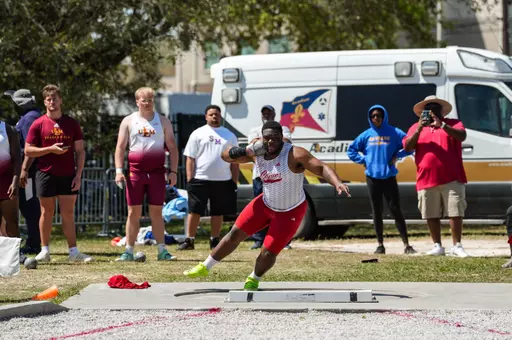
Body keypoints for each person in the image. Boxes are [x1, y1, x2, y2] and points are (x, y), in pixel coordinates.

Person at [183, 121, 350, 290]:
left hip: (290, 210)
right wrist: (246, 149)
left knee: (268, 251)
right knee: (234, 234)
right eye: (267, 138)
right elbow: (226, 155)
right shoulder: (258, 152)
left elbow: (321, 168)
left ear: (282, 138)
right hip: (265, 204)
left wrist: (337, 183)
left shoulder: (294, 154)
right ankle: (206, 266)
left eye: (275, 138)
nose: (271, 142)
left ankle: (254, 278)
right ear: (262, 138)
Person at [25, 84, 92, 262]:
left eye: (54, 98)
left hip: (68, 174)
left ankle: (73, 252)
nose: (52, 102)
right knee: (46, 212)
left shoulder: (71, 123)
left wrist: (78, 175)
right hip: (45, 173)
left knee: (68, 213)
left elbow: (80, 151)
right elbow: (28, 150)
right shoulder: (38, 124)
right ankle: (45, 251)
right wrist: (49, 149)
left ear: (60, 100)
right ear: (44, 102)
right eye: (48, 99)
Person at [114, 87, 178, 261]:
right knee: (133, 212)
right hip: (135, 173)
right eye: (144, 100)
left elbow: (172, 147)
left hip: (157, 173)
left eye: (150, 100)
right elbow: (120, 147)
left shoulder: (163, 121)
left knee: (156, 212)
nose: (147, 103)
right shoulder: (128, 121)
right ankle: (128, 251)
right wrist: (119, 171)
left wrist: (173, 171)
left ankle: (162, 250)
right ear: (137, 102)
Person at [403, 95, 468, 257]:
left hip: (452, 176)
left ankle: (457, 245)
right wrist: (419, 128)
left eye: (435, 107)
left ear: (441, 110)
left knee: (455, 211)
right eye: (428, 107)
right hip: (426, 178)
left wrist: (443, 126)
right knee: (430, 213)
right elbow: (408, 147)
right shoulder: (415, 127)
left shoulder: (453, 123)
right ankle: (437, 245)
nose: (431, 110)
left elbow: (462, 136)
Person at [348, 105, 416, 255]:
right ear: (369, 118)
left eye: (379, 115)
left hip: (389, 177)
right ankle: (380, 245)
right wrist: (363, 159)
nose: (376, 118)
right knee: (376, 211)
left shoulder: (394, 132)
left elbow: (410, 146)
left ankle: (407, 245)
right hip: (372, 178)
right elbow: (351, 150)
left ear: (384, 116)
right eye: (373, 116)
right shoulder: (366, 135)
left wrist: (398, 155)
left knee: (395, 210)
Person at [178, 104, 239, 251]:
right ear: (206, 117)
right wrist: (190, 179)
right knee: (195, 210)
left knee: (217, 212)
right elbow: (190, 158)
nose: (214, 117)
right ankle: (190, 240)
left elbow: (235, 160)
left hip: (223, 180)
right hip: (200, 179)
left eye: (217, 114)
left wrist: (234, 180)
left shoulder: (229, 135)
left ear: (220, 116)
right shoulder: (198, 134)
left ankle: (215, 240)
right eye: (211, 114)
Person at [247, 105, 292, 250]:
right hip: (260, 175)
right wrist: (270, 139)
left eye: (269, 112)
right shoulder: (254, 129)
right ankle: (259, 239)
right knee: (260, 209)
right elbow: (251, 146)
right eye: (264, 113)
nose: (266, 115)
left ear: (274, 114)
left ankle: (282, 240)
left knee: (281, 208)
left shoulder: (283, 128)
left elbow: (287, 141)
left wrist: (262, 139)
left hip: (279, 173)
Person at [5, 89, 42, 254]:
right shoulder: (30, 116)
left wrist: (24, 170)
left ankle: (34, 243)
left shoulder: (29, 119)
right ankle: (33, 241)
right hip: (27, 171)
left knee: (29, 207)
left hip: (28, 173)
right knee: (29, 207)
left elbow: (30, 149)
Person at [0, 108, 22, 257]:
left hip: (7, 182)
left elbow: (17, 158)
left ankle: (16, 254)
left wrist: (15, 180)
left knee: (12, 221)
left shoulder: (8, 129)